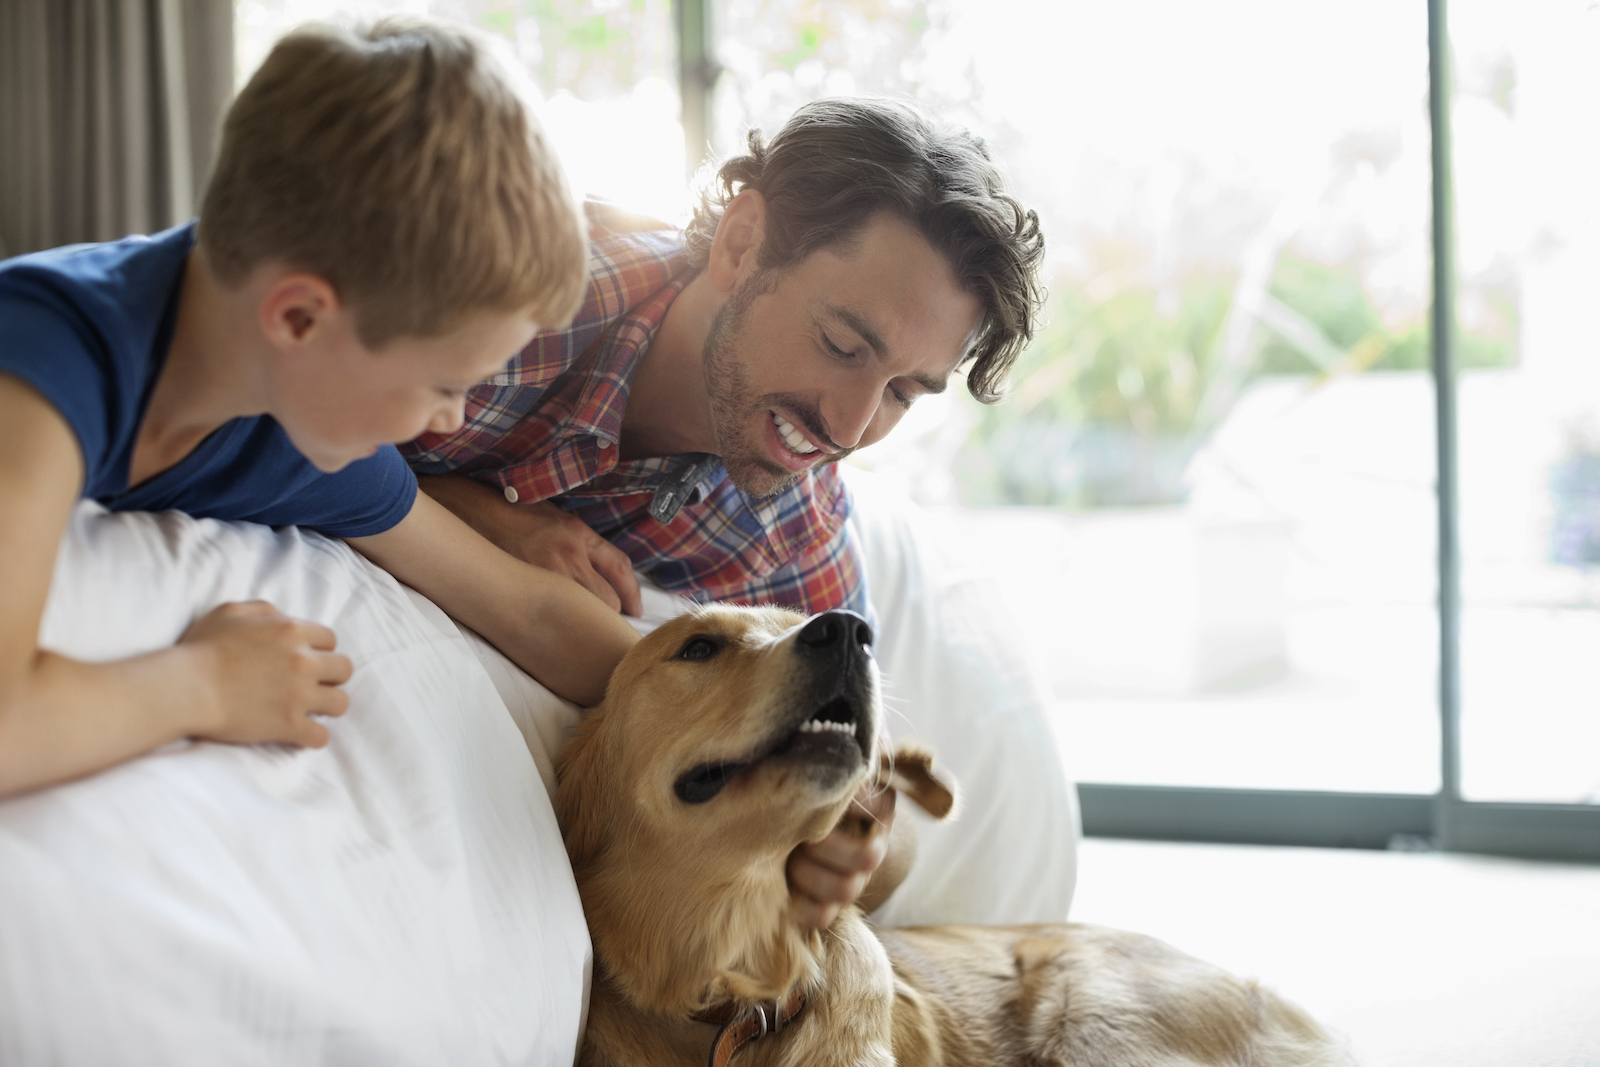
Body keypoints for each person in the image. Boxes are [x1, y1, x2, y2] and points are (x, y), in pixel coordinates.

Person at [401, 97, 1051, 927]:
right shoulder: (513, 296)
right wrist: (486, 513)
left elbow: (877, 798)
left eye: (902, 393)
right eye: (842, 347)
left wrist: (850, 850)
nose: (847, 429)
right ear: (742, 247)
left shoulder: (795, 530)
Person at [0, 18, 640, 801]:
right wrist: (205, 682)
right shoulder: (41, 370)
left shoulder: (292, 427)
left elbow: (529, 613)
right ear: (300, 318)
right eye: (444, 383)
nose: (450, 423)